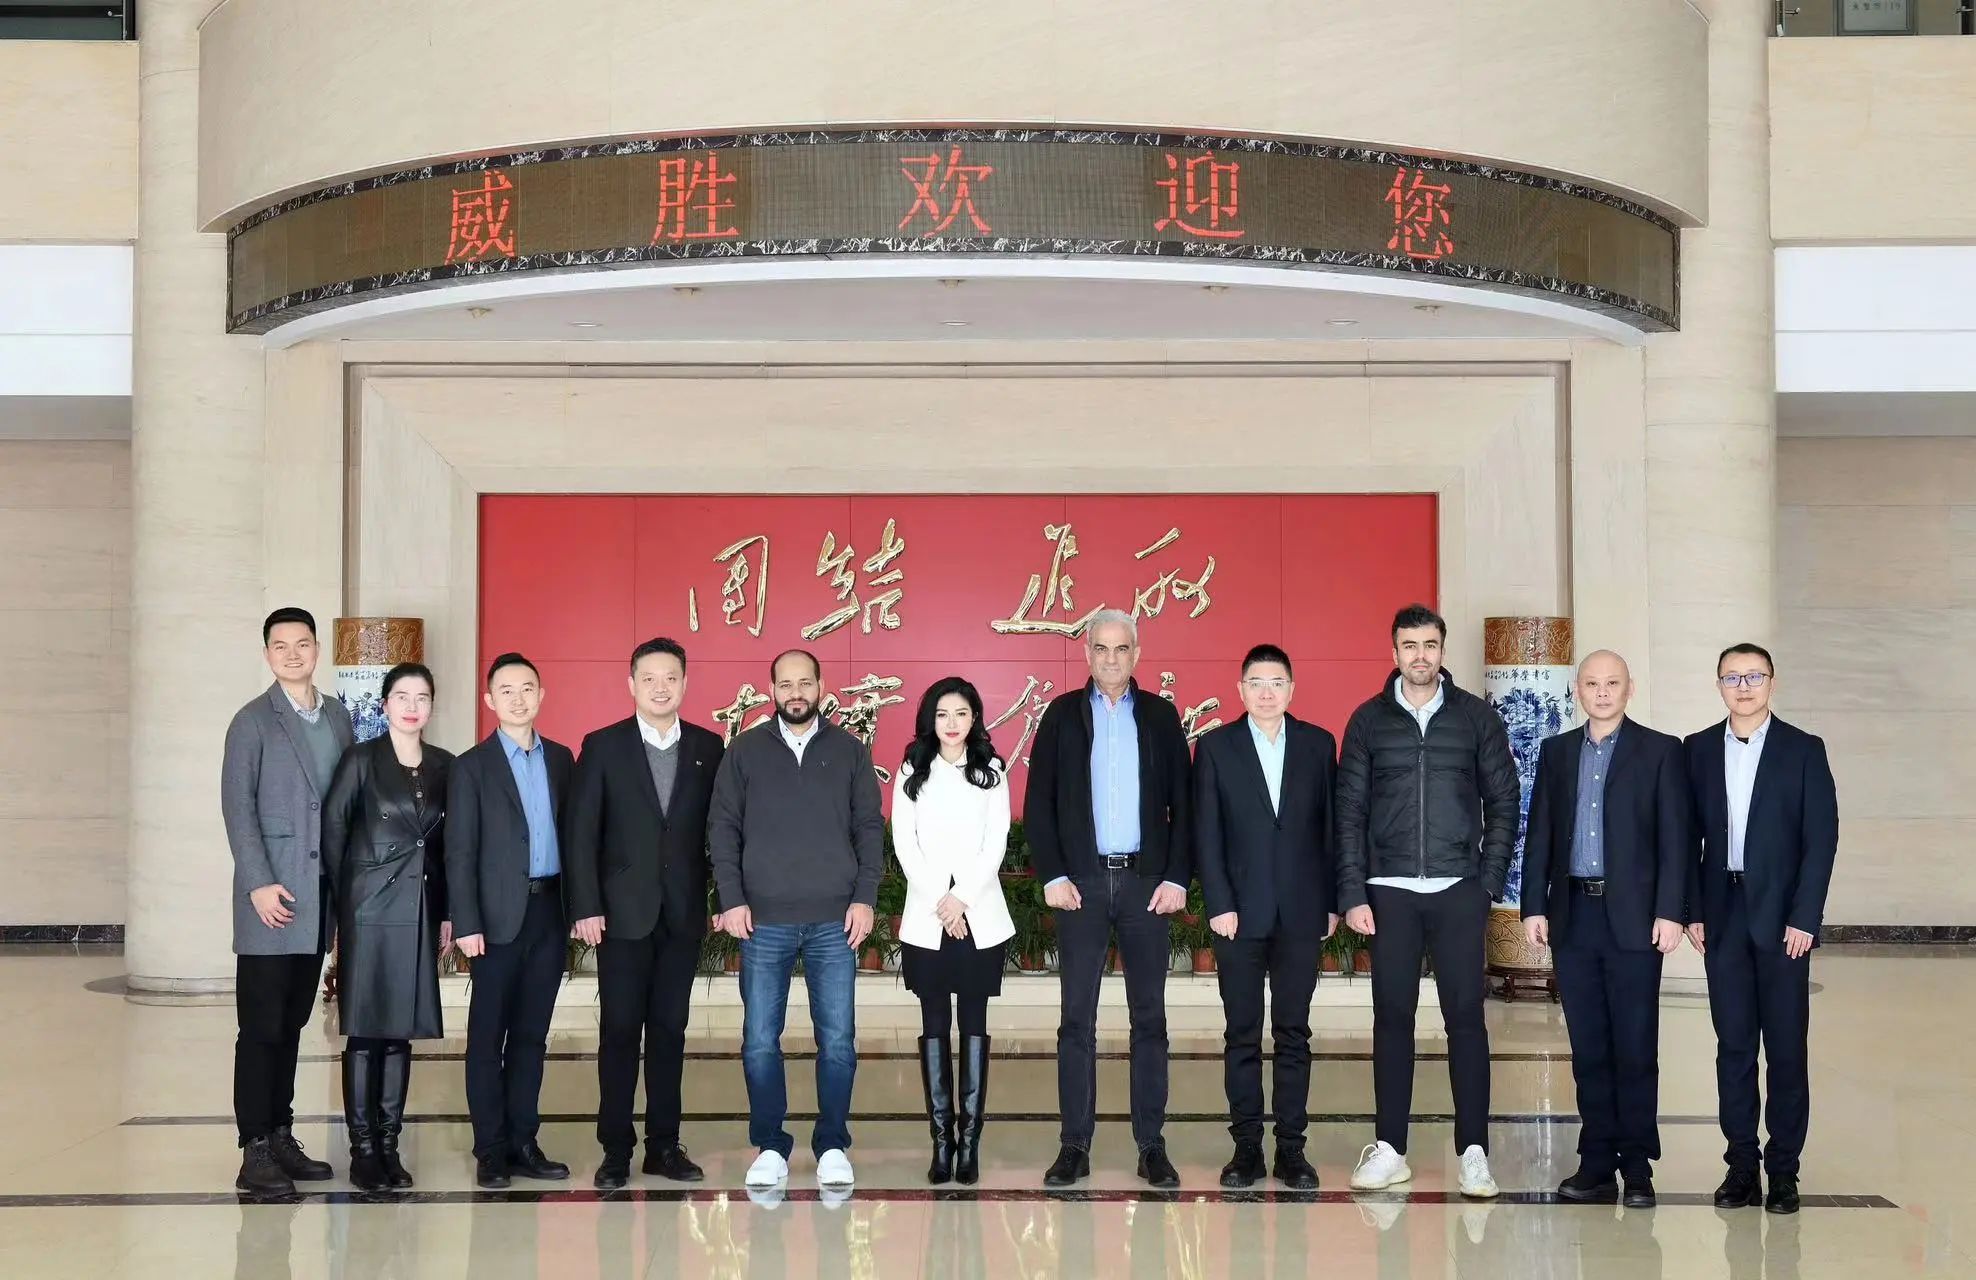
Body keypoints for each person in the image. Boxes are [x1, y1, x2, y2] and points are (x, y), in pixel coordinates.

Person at [1337, 603, 1519, 1200]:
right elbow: (1349, 812)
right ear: (1393, 652)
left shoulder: (1475, 718)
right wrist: (1354, 892)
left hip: (1458, 889)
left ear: (1442, 650)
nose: (1420, 655)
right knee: (1392, 1019)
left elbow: (1504, 800)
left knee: (1466, 1020)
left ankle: (1474, 1152)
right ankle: (1390, 1148)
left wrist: (1487, 882)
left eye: (1430, 645)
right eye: (1409, 645)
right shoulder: (1368, 721)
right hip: (1389, 892)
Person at [1024, 608, 1193, 1189]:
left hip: (1146, 884)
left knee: (1150, 1019)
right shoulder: (1061, 716)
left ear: (1137, 654)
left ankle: (1152, 1145)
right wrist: (1052, 874)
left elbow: (1185, 803)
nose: (1112, 658)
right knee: (1077, 1020)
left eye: (1122, 648)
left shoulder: (1161, 716)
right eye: (1101, 648)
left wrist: (1176, 876)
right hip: (1082, 885)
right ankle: (1074, 1145)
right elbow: (1040, 802)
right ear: (1087, 653)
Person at [709, 649, 886, 1192]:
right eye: (785, 684)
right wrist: (732, 899)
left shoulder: (850, 751)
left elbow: (869, 828)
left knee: (838, 1040)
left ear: (821, 687)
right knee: (761, 1040)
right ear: (772, 690)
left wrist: (864, 898)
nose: (795, 693)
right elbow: (723, 828)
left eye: (804, 682)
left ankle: (832, 1144)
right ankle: (770, 1145)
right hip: (764, 921)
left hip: (835, 920)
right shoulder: (744, 751)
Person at [1521, 650, 1689, 1208]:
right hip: (1574, 916)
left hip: (1636, 920)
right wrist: (1534, 906)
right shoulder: (1557, 751)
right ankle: (1595, 1163)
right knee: (1588, 1047)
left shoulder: (1661, 751)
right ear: (1578, 690)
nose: (1601, 692)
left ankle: (1637, 1166)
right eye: (1591, 683)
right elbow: (1540, 833)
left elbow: (1675, 839)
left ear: (1629, 689)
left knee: (1635, 1046)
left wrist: (1671, 910)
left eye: (1611, 683)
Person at [566, 637, 726, 1189]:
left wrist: (724, 900)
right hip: (620, 916)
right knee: (618, 1031)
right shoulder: (603, 746)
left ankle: (663, 1145)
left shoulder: (709, 746)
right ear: (631, 684)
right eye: (650, 678)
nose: (661, 688)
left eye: (671, 678)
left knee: (670, 1031)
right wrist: (586, 905)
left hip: (681, 915)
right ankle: (615, 1149)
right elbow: (581, 832)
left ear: (685, 683)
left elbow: (720, 830)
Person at [1684, 643, 1838, 1216]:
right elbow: (1686, 838)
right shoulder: (1698, 749)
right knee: (1734, 1048)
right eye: (1732, 677)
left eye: (1754, 676)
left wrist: (1805, 917)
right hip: (1722, 914)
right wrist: (1693, 909)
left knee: (1787, 1050)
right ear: (1718, 685)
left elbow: (1821, 840)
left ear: (1772, 682)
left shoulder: (1804, 750)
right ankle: (1741, 1166)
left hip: (1782, 921)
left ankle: (1784, 1171)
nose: (1743, 687)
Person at [1193, 643, 1338, 1190]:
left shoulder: (1318, 745)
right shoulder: (1216, 748)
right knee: (1242, 1034)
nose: (1267, 692)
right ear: (1241, 690)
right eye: (1256, 682)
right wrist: (1219, 903)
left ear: (1292, 689)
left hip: (1302, 911)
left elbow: (1330, 831)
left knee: (1294, 1033)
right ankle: (1247, 1148)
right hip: (1239, 915)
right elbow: (1207, 832)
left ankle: (1292, 1151)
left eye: (1277, 682)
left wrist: (1330, 902)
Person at [220, 606, 354, 1196]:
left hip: (318, 895)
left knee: (294, 1021)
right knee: (261, 1025)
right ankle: (254, 1149)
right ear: (267, 654)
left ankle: (280, 1134)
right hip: (271, 896)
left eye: (303, 644)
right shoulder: (251, 721)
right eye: (281, 646)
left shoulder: (339, 717)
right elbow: (238, 807)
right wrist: (257, 881)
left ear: (317, 650)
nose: (293, 654)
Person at [321, 662, 454, 1192]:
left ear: (432, 706)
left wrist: (447, 912)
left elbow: (449, 845)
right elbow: (334, 828)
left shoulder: (445, 765)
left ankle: (390, 1146)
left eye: (422, 697)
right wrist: (346, 901)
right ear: (385, 705)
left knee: (401, 1029)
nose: (412, 706)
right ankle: (363, 1151)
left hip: (419, 906)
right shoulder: (362, 759)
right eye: (402, 696)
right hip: (369, 907)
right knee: (365, 1028)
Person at [445, 652, 575, 1189]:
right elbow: (459, 852)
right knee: (487, 1037)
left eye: (527, 689)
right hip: (494, 920)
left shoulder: (563, 759)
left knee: (531, 1036)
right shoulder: (471, 767)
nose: (518, 699)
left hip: (549, 912)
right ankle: (491, 1149)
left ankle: (524, 1141)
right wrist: (465, 921)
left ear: (541, 695)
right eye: (506, 690)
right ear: (489, 700)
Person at [891, 677, 1015, 1186]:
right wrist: (941, 904)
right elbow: (905, 844)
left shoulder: (992, 772)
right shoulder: (911, 771)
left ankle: (970, 1145)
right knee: (935, 1022)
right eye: (942, 714)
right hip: (927, 917)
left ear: (975, 718)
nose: (951, 723)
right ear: (930, 719)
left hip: (979, 913)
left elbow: (996, 842)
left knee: (975, 1022)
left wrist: (961, 898)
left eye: (961, 713)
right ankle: (942, 1143)